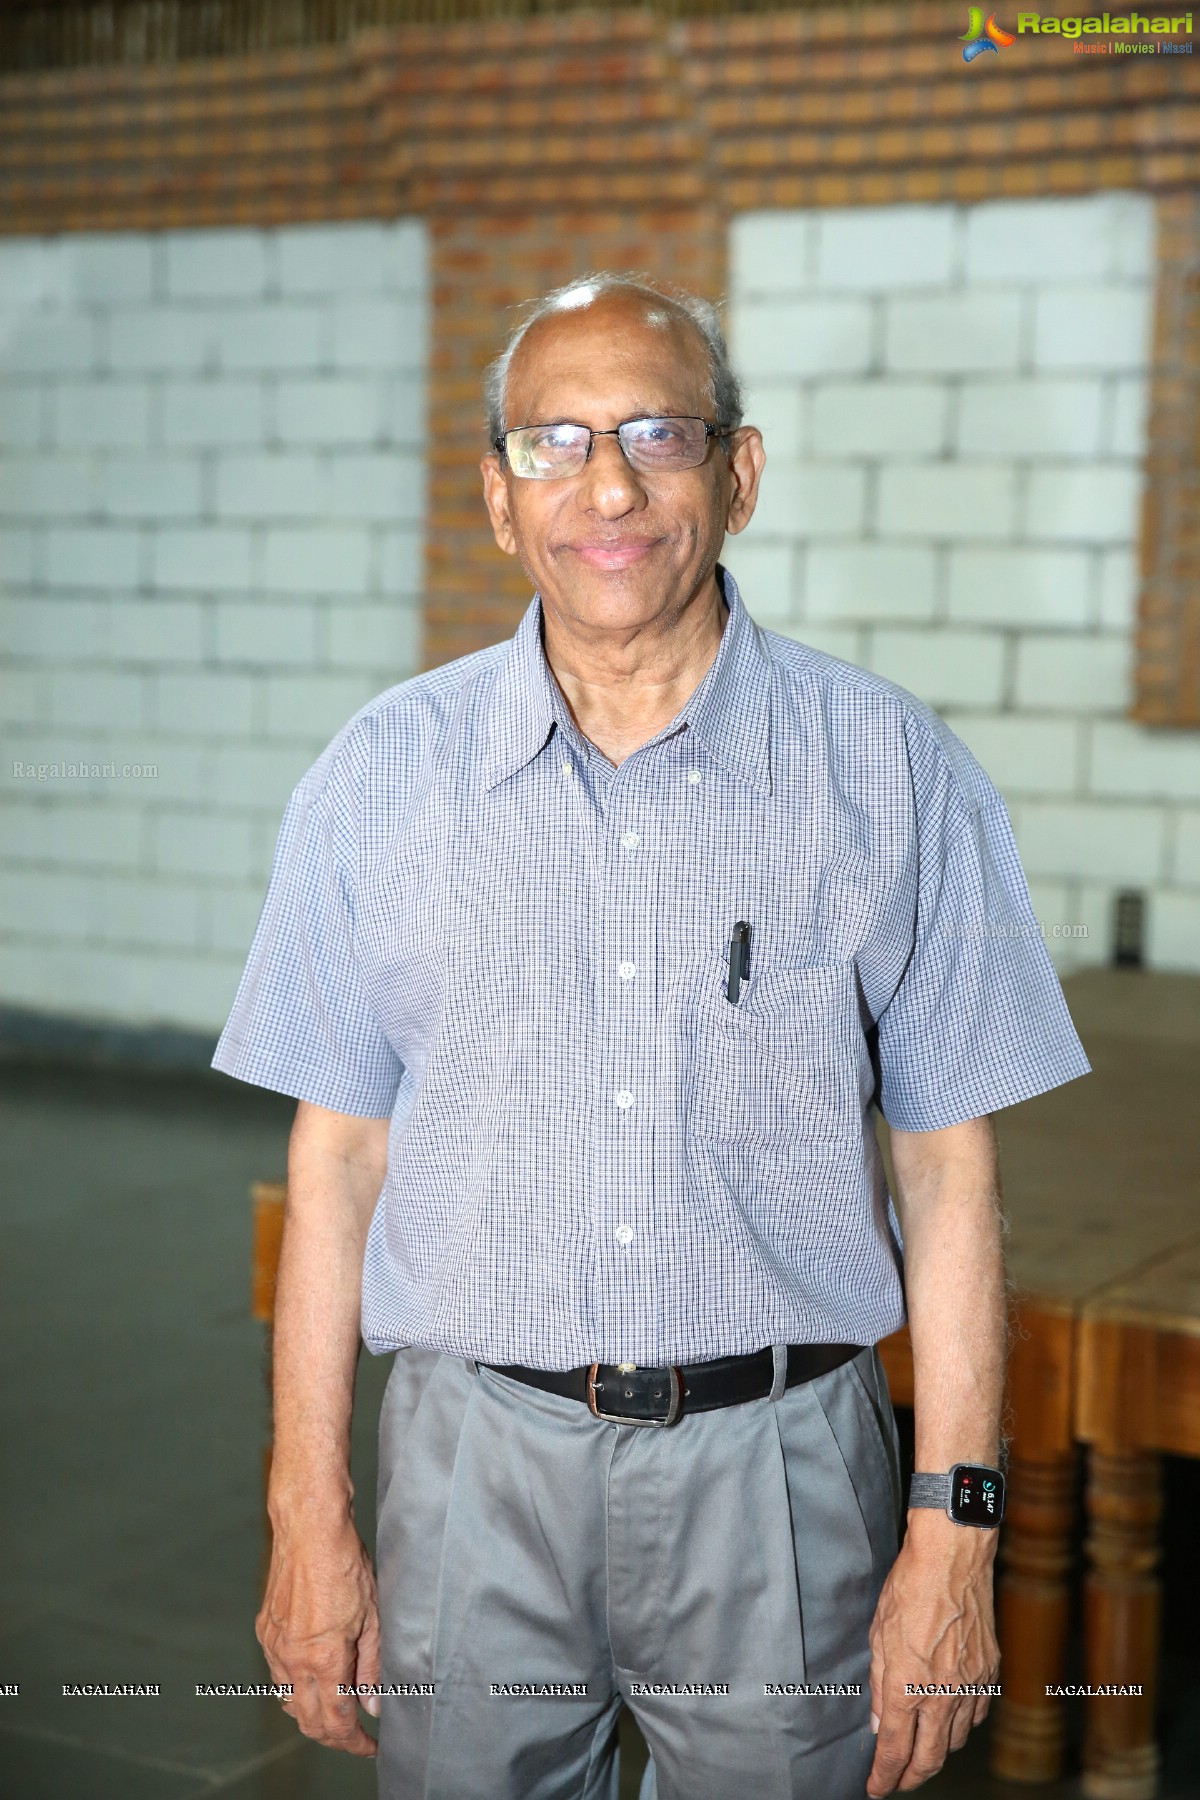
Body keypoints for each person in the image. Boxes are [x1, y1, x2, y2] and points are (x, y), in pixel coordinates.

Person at [213, 271, 1090, 1800]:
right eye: (553, 442)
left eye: (657, 434)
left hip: (785, 1479)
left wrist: (955, 1535)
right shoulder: (376, 779)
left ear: (738, 475)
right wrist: (308, 1511)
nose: (606, 484)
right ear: (499, 498)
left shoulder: (889, 770)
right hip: (469, 1468)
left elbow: (951, 1175)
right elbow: (338, 1159)